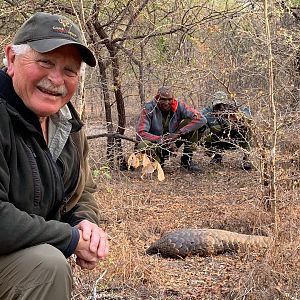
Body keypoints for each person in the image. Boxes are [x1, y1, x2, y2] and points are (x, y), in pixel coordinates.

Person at [0, 12, 109, 299]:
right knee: (48, 265)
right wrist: (70, 239)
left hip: (17, 254)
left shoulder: (67, 126)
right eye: (45, 62)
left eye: (70, 70)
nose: (56, 79)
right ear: (11, 59)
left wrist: (85, 223)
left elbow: (82, 190)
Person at [135, 86, 207, 172]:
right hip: (155, 144)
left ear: (173, 99)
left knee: (193, 123)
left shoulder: (179, 106)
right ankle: (157, 161)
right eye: (163, 99)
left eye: (169, 99)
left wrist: (178, 133)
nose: (166, 102)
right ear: (157, 98)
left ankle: (187, 160)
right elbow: (140, 134)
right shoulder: (148, 108)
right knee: (142, 145)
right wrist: (161, 139)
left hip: (173, 140)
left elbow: (202, 119)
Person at [201, 91, 253, 170]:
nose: (220, 107)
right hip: (219, 138)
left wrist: (238, 117)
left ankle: (247, 158)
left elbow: (249, 117)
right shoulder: (208, 112)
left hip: (235, 138)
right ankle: (216, 155)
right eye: (217, 105)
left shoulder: (235, 107)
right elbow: (198, 118)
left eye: (223, 104)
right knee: (203, 129)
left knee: (247, 129)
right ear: (213, 104)